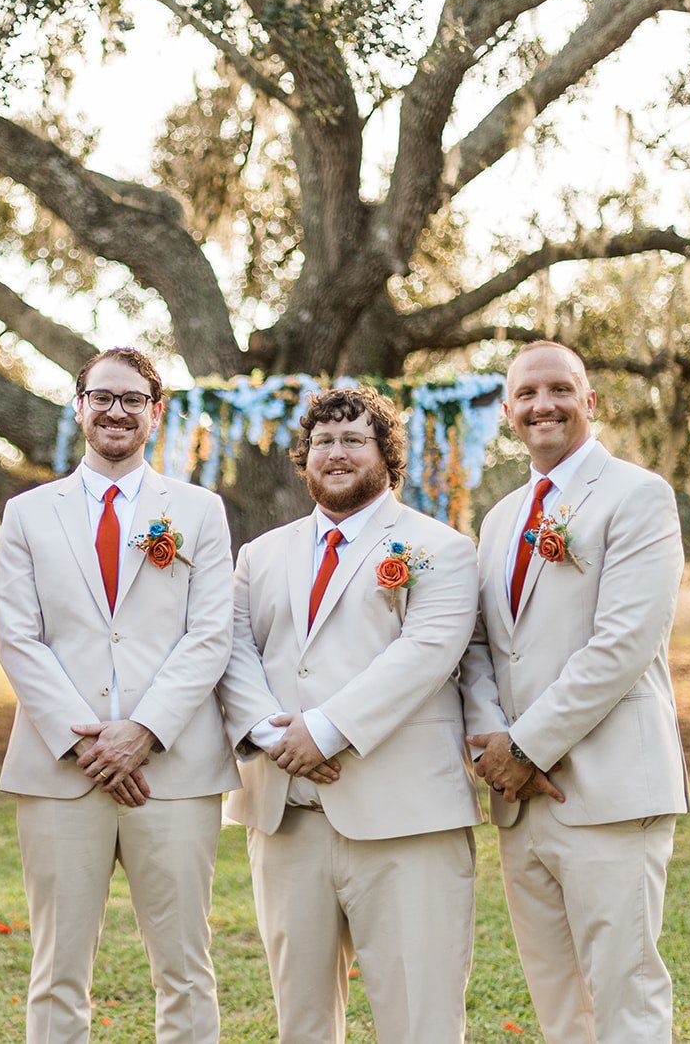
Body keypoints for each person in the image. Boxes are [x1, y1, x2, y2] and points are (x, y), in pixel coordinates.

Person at [218, 386, 483, 1043]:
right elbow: (233, 648)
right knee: (301, 1021)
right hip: (285, 816)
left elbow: (424, 654)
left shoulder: (439, 547)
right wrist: (268, 733)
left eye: (352, 440)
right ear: (304, 456)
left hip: (405, 820)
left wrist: (325, 731)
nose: (334, 453)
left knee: (419, 1018)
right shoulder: (261, 555)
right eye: (322, 441)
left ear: (386, 454)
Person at [0, 347, 236, 1043]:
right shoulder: (29, 512)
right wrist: (86, 738)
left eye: (133, 399)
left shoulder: (198, 511)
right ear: (79, 407)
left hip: (174, 769)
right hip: (59, 771)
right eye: (102, 397)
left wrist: (143, 731)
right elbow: (19, 637)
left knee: (186, 968)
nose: (116, 411)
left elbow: (209, 634)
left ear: (155, 414)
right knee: (57, 969)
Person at [462, 340, 690, 1043]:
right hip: (522, 802)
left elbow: (623, 645)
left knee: (625, 990)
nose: (544, 404)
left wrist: (527, 746)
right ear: (507, 413)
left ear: (589, 401)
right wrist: (495, 746)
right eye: (527, 394)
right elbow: (479, 648)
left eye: (560, 388)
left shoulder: (639, 495)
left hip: (610, 787)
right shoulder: (499, 519)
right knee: (559, 1000)